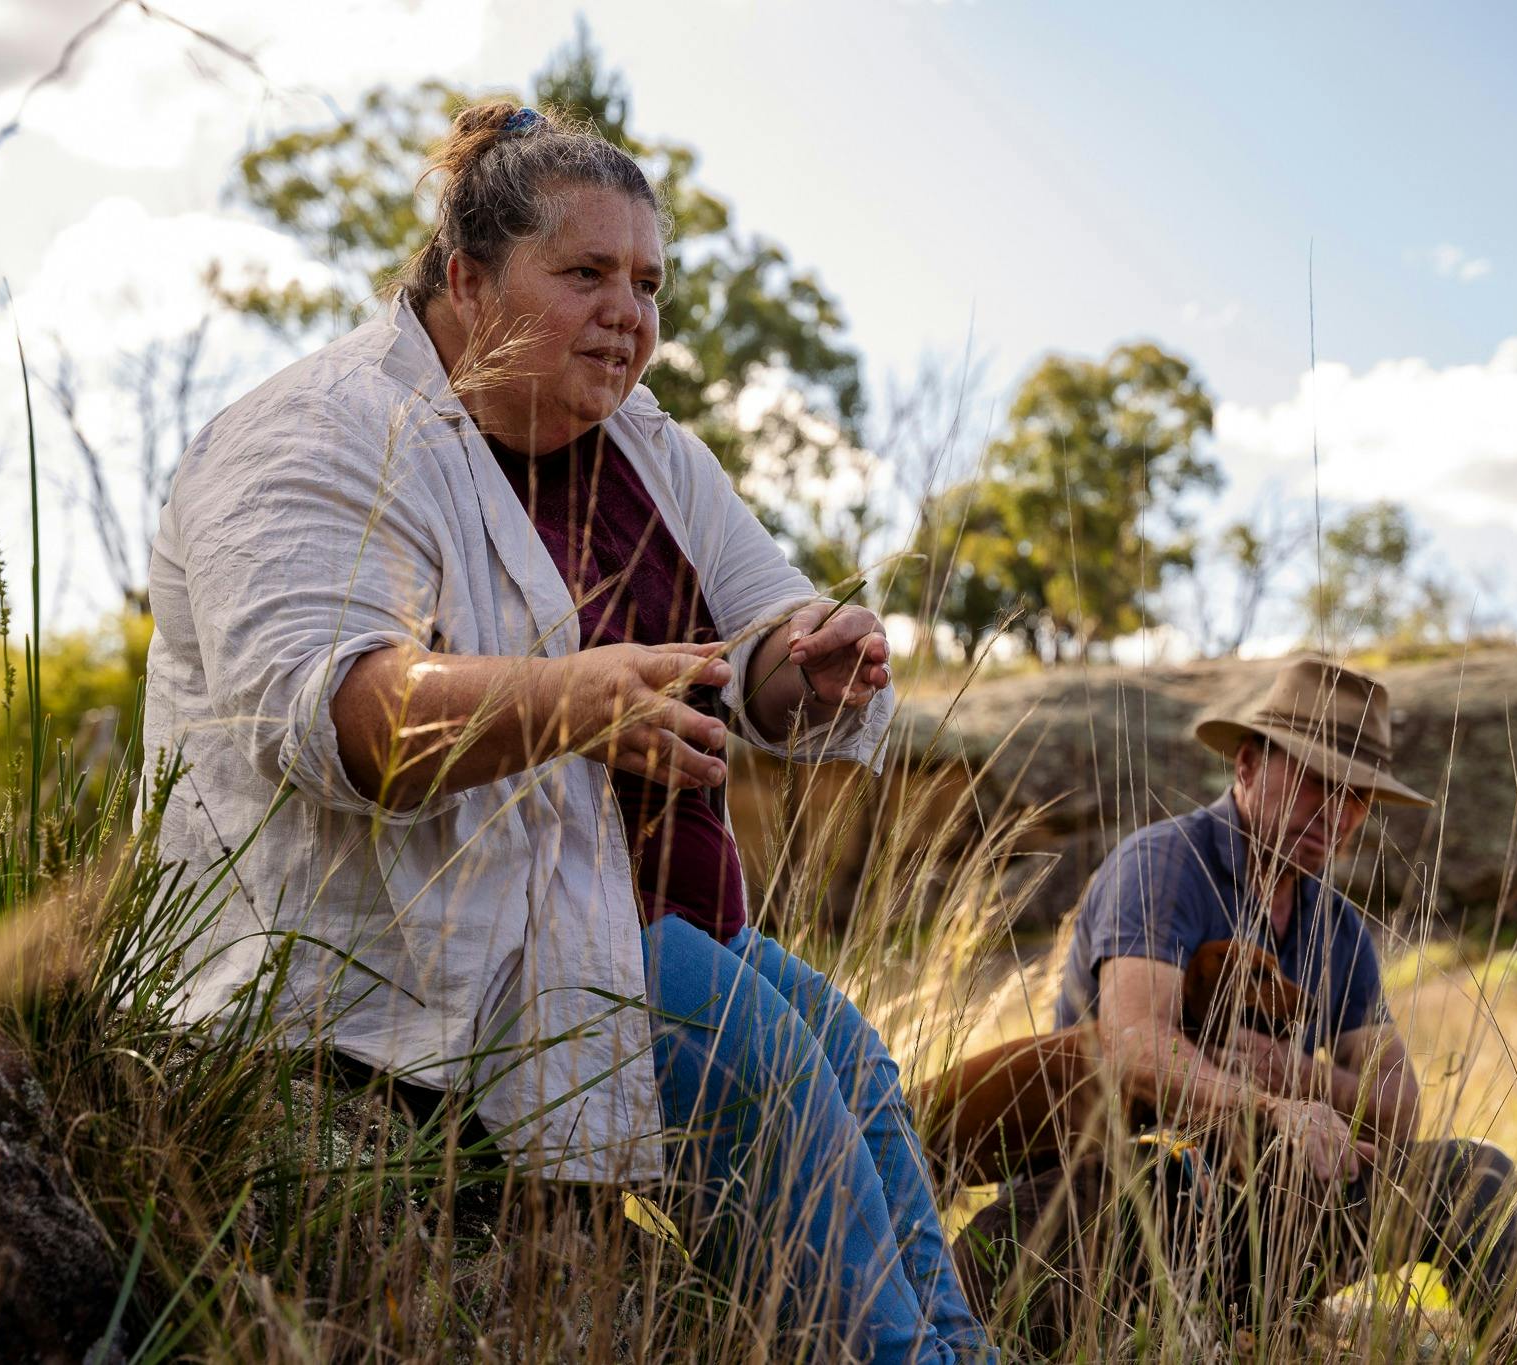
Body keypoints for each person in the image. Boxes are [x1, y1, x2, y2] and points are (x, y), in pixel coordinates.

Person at [141, 101, 988, 1363]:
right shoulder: (315, 436)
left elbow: (760, 638)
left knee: (852, 1063)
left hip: (643, 932)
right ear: (468, 281)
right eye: (584, 273)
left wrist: (810, 663)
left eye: (645, 281)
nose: (628, 313)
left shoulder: (647, 445)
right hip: (403, 971)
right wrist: (577, 699)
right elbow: (337, 717)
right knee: (772, 1078)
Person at [924, 657, 1517, 1347]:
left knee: (1477, 1176)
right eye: (1316, 781)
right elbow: (1133, 1045)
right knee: (1144, 1189)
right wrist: (1270, 1106)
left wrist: (1293, 1074)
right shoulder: (1163, 866)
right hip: (1118, 1196)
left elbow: (1398, 1103)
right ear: (1248, 764)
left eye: (1358, 796)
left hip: (1267, 1206)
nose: (1338, 812)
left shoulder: (1338, 927)